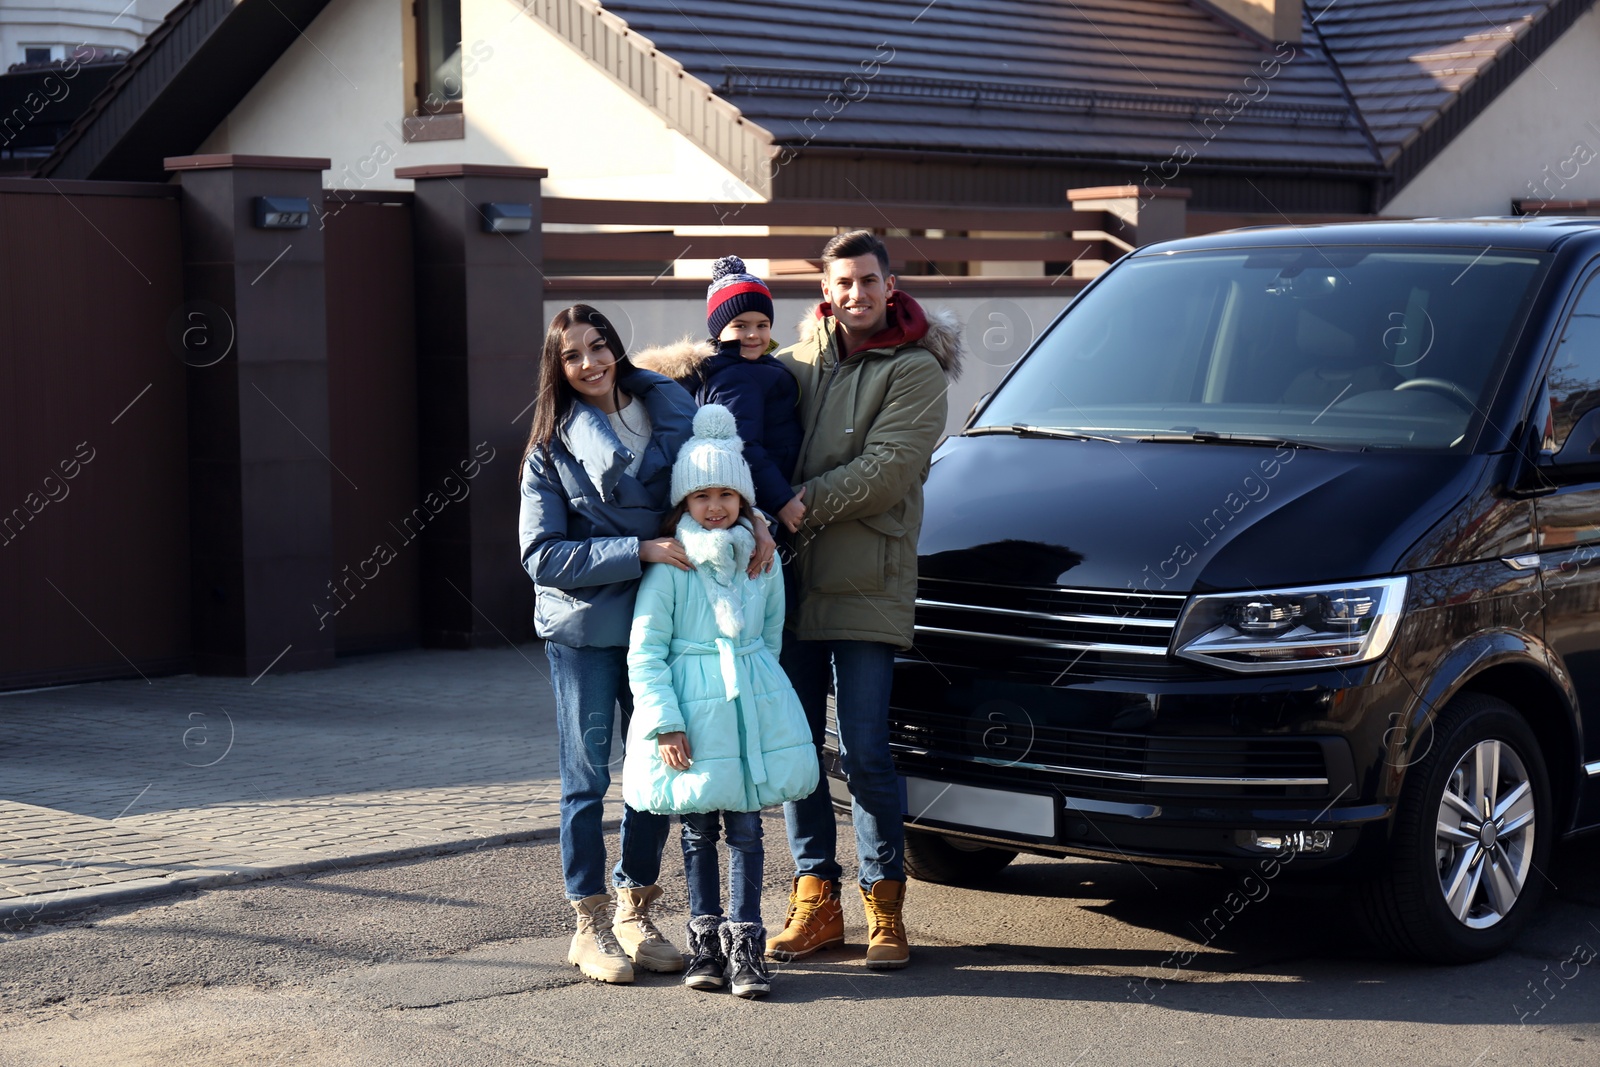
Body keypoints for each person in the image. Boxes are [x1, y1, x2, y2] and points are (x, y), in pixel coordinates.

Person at [519, 305, 775, 985]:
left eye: (598, 346)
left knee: (657, 769)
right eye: (573, 354)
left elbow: (715, 481)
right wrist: (638, 548)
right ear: (560, 368)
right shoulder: (549, 445)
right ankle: (589, 924)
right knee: (587, 778)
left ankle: (636, 906)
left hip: (668, 623)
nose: (590, 362)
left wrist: (759, 521)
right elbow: (541, 554)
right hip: (586, 629)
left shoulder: (674, 409)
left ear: (616, 347)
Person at [767, 231, 965, 970]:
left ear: (891, 284)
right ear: (827, 286)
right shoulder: (793, 363)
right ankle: (817, 900)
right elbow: (730, 407)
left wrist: (798, 501)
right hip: (786, 588)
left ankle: (885, 905)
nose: (856, 293)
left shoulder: (917, 371)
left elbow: (886, 471)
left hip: (868, 586)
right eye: (843, 281)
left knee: (866, 751)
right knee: (796, 755)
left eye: (868, 281)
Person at [622, 404, 818, 998]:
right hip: (693, 717)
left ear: (744, 501)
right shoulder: (673, 567)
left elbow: (772, 636)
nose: (715, 506)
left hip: (747, 711)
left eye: (727, 493)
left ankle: (747, 946)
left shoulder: (761, 561)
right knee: (697, 831)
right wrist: (665, 724)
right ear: (684, 503)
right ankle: (704, 944)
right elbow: (646, 653)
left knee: (749, 832)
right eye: (701, 495)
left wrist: (764, 696)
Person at [630, 256, 807, 532]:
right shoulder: (736, 378)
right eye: (740, 325)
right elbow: (743, 444)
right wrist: (782, 500)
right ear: (718, 330)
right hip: (764, 501)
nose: (753, 335)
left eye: (762, 325)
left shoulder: (752, 367)